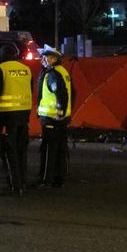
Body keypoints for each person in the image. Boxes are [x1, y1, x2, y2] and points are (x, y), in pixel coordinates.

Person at [0, 44, 33, 197]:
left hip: (7, 116)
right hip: (24, 115)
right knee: (21, 150)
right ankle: (22, 183)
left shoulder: (0, 68)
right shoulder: (26, 69)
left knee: (8, 151)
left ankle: (15, 186)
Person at [36, 44, 72, 188]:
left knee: (49, 149)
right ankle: (59, 178)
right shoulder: (63, 71)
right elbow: (72, 92)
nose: (42, 61)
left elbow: (61, 93)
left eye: (44, 58)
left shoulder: (52, 74)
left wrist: (59, 111)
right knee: (60, 148)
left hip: (52, 118)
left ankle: (45, 180)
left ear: (52, 58)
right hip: (61, 119)